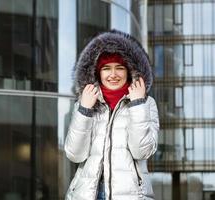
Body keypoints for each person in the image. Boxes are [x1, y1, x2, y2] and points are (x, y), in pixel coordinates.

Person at [64, 29, 159, 200]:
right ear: (98, 73)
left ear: (129, 71)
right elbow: (74, 153)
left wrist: (137, 104)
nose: (113, 74)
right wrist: (84, 110)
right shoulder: (85, 102)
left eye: (119, 68)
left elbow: (141, 152)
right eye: (107, 68)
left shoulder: (146, 103)